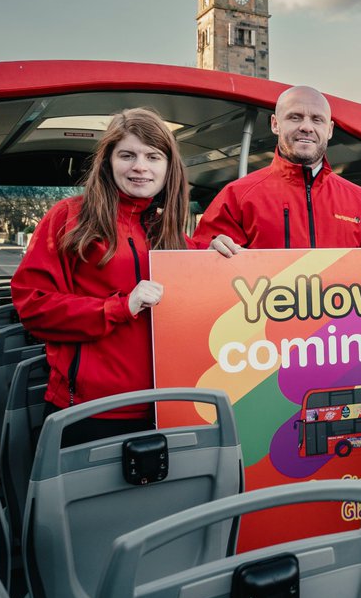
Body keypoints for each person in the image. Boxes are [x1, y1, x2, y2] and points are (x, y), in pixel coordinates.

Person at [12, 108, 215, 446]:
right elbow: (33, 307)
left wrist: (220, 255)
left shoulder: (169, 229)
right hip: (91, 412)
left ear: (168, 168)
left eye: (153, 156)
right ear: (107, 162)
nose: (140, 166)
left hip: (168, 407)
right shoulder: (68, 217)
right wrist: (119, 308)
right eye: (127, 155)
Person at [194, 85, 361, 252]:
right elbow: (199, 264)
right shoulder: (236, 197)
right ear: (275, 124)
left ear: (330, 129)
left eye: (317, 119)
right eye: (295, 117)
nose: (306, 127)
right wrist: (209, 254)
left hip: (340, 320)